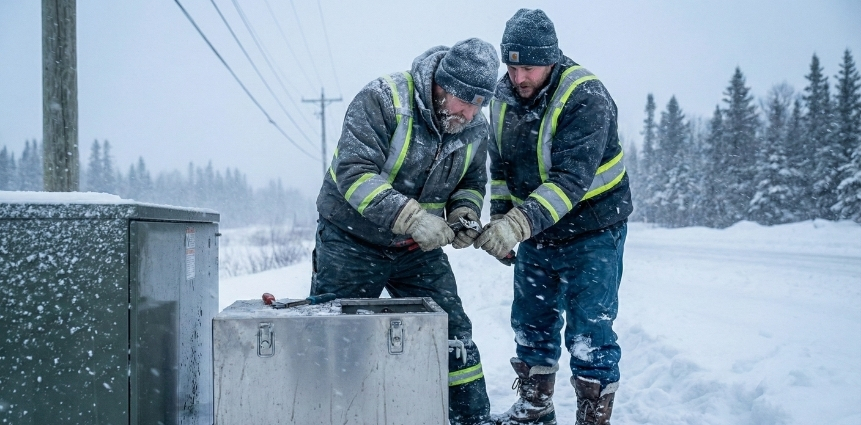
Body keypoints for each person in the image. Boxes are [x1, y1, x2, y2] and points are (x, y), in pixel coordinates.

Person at [311, 38, 499, 425]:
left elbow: (473, 179)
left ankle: (473, 419)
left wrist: (464, 213)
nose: (471, 112)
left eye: (480, 103)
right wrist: (413, 218)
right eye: (465, 101)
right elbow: (353, 173)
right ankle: (326, 416)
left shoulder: (474, 125)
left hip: (415, 249)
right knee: (335, 340)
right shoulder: (383, 99)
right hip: (351, 240)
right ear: (442, 86)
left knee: (452, 333)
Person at [475, 9, 632, 425]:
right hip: (537, 229)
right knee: (531, 322)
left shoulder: (586, 97)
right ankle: (534, 407)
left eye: (528, 67)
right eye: (511, 67)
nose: (518, 78)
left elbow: (569, 180)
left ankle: (592, 416)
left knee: (589, 331)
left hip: (593, 227)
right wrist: (501, 217)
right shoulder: (503, 97)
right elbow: (502, 167)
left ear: (550, 59)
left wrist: (516, 225)